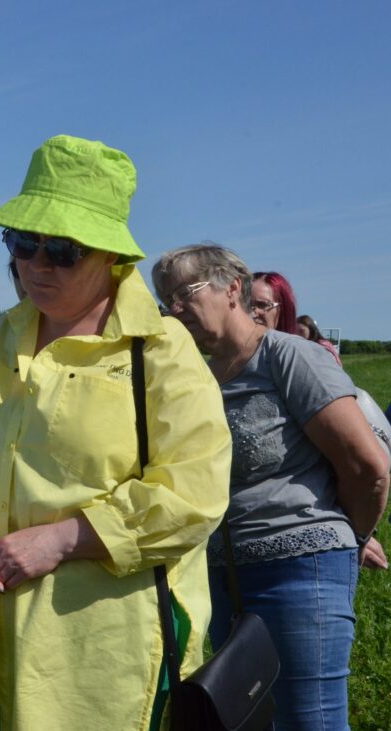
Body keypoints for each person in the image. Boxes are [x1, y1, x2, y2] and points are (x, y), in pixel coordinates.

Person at [0, 135, 232, 731]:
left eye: (61, 250)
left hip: (98, 655)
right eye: (21, 243)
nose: (35, 264)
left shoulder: (158, 352)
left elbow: (194, 494)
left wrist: (61, 540)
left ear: (111, 255)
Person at [153, 244, 389, 730]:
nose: (174, 310)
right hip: (222, 580)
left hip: (300, 575)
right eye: (165, 300)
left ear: (232, 288)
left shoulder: (291, 358)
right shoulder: (198, 378)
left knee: (310, 722)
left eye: (185, 294)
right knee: (249, 719)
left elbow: (369, 469)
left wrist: (352, 541)